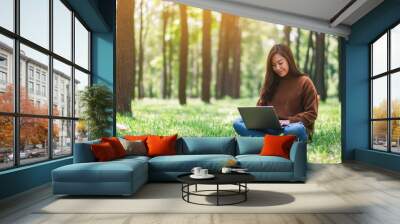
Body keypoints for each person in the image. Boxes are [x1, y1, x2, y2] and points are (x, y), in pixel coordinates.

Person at [233, 44, 318, 142]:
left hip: (292, 127)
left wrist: (288, 121)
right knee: (237, 122)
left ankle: (266, 141)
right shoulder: (271, 82)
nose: (277, 68)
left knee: (296, 129)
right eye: (273, 65)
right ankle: (275, 141)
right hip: (272, 128)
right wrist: (258, 119)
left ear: (289, 60)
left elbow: (312, 113)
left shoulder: (305, 81)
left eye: (280, 63)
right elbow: (260, 109)